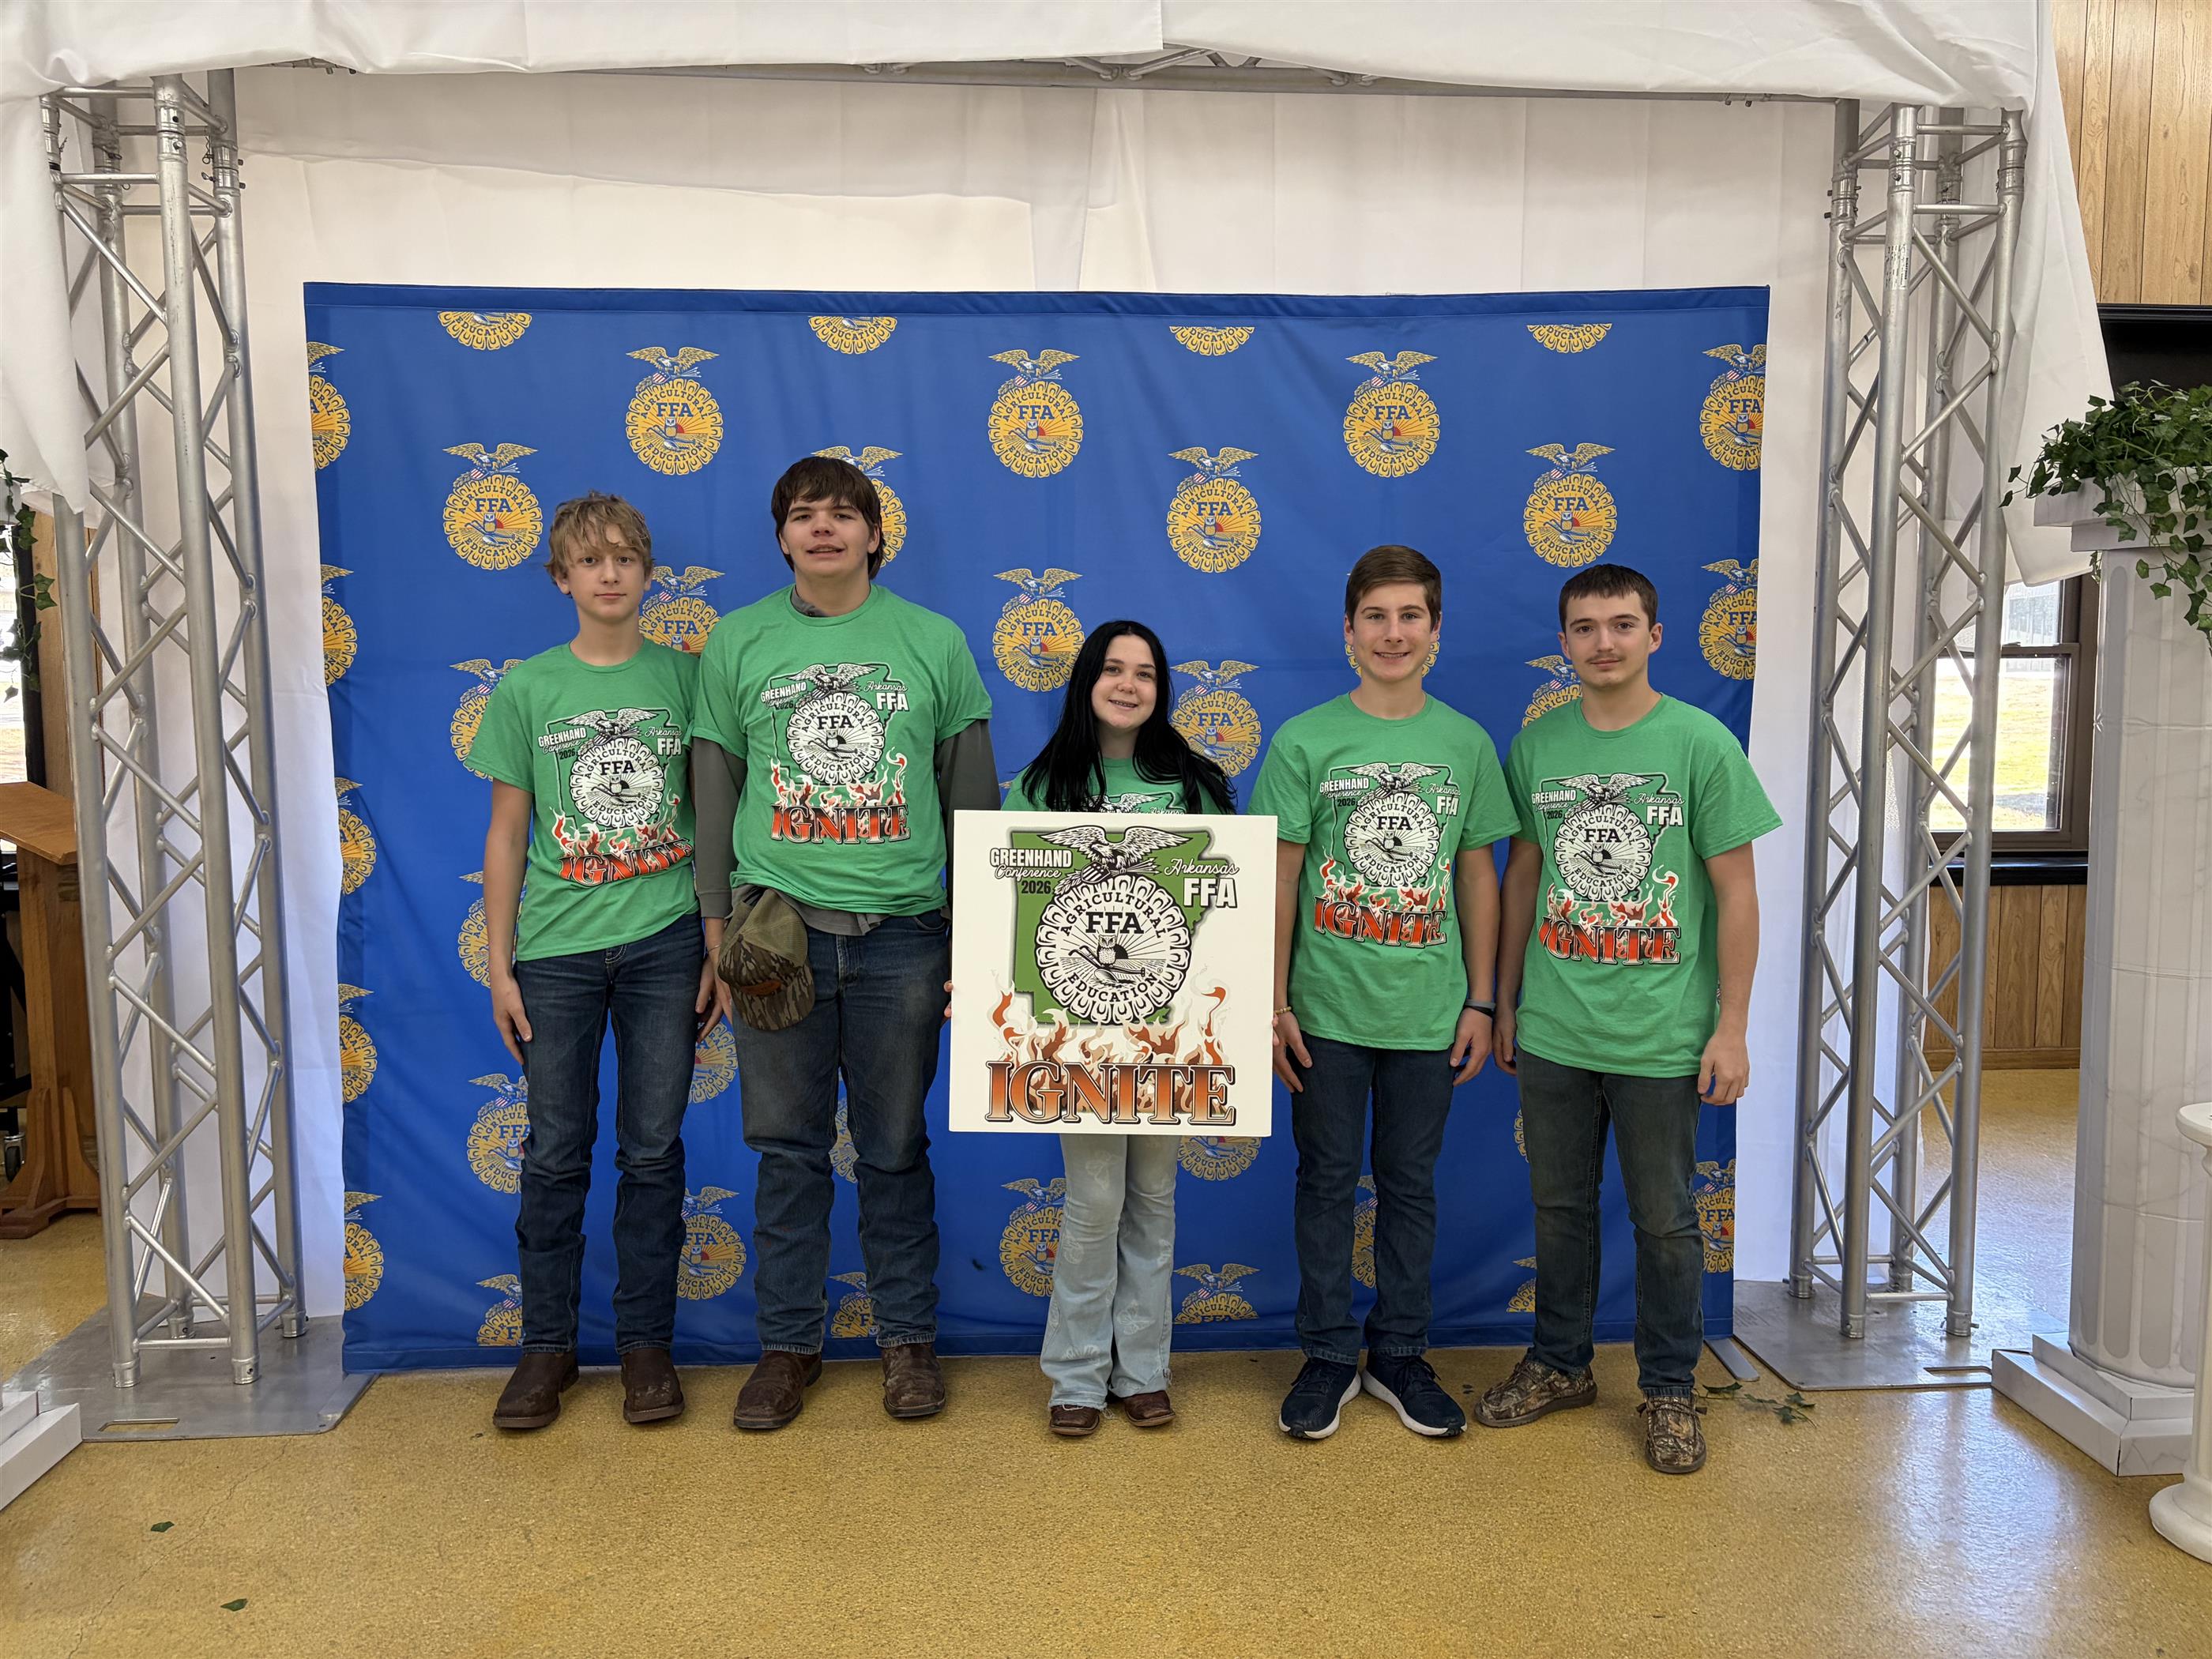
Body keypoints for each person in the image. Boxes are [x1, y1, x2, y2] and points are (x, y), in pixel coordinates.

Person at [692, 454, 998, 1430]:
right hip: (774, 936)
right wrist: (715, 930)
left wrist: (979, 942)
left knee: (894, 1149)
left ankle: (907, 1342)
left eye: (840, 513)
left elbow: (971, 800)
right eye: (802, 515)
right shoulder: (737, 641)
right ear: (782, 538)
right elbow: (713, 793)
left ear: (874, 533)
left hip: (903, 939)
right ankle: (788, 1347)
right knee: (787, 1153)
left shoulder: (933, 641)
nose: (821, 528)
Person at [1479, 562, 1779, 1476]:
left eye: (1620, 625)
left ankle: (1670, 1389)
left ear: (1654, 635)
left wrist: (1731, 1025)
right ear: (1563, 642)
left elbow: (1737, 893)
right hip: (1554, 1028)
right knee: (1559, 1209)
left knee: (1664, 1221)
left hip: (1661, 1034)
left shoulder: (1699, 744)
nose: (1602, 642)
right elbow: (1522, 877)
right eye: (1584, 627)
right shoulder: (1538, 745)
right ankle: (1560, 1364)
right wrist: (1503, 999)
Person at [1249, 545, 1520, 1440]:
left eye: (1410, 616)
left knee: (1410, 1185)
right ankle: (1328, 1355)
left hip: (1428, 1012)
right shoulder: (1305, 739)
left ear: (1436, 631)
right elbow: (1280, 876)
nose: (1393, 633)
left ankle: (1400, 1351)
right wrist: (1274, 1002)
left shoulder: (1465, 743)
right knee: (1325, 1180)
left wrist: (1481, 1000)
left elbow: (1478, 876)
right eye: (1376, 616)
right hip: (1324, 1009)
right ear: (1348, 630)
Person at [469, 492, 714, 1431]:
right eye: (589, 559)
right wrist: (501, 966)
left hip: (665, 943)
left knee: (652, 1153)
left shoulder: (688, 679)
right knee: (554, 1154)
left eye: (624, 557)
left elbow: (719, 816)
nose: (608, 573)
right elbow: (506, 833)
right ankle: (547, 1348)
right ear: (560, 578)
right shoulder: (528, 689)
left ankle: (646, 1348)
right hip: (557, 953)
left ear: (648, 574)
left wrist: (716, 942)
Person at [1003, 621, 1236, 1438]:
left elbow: (1226, 910)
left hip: (1169, 1031)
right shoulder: (1041, 786)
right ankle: (1074, 1376)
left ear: (1161, 690)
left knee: (1154, 1199)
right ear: (1086, 681)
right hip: (1078, 1033)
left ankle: (1141, 1371)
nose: (1129, 685)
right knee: (1096, 1199)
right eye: (1113, 669)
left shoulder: (1195, 783)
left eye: (1145, 673)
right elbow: (1006, 907)